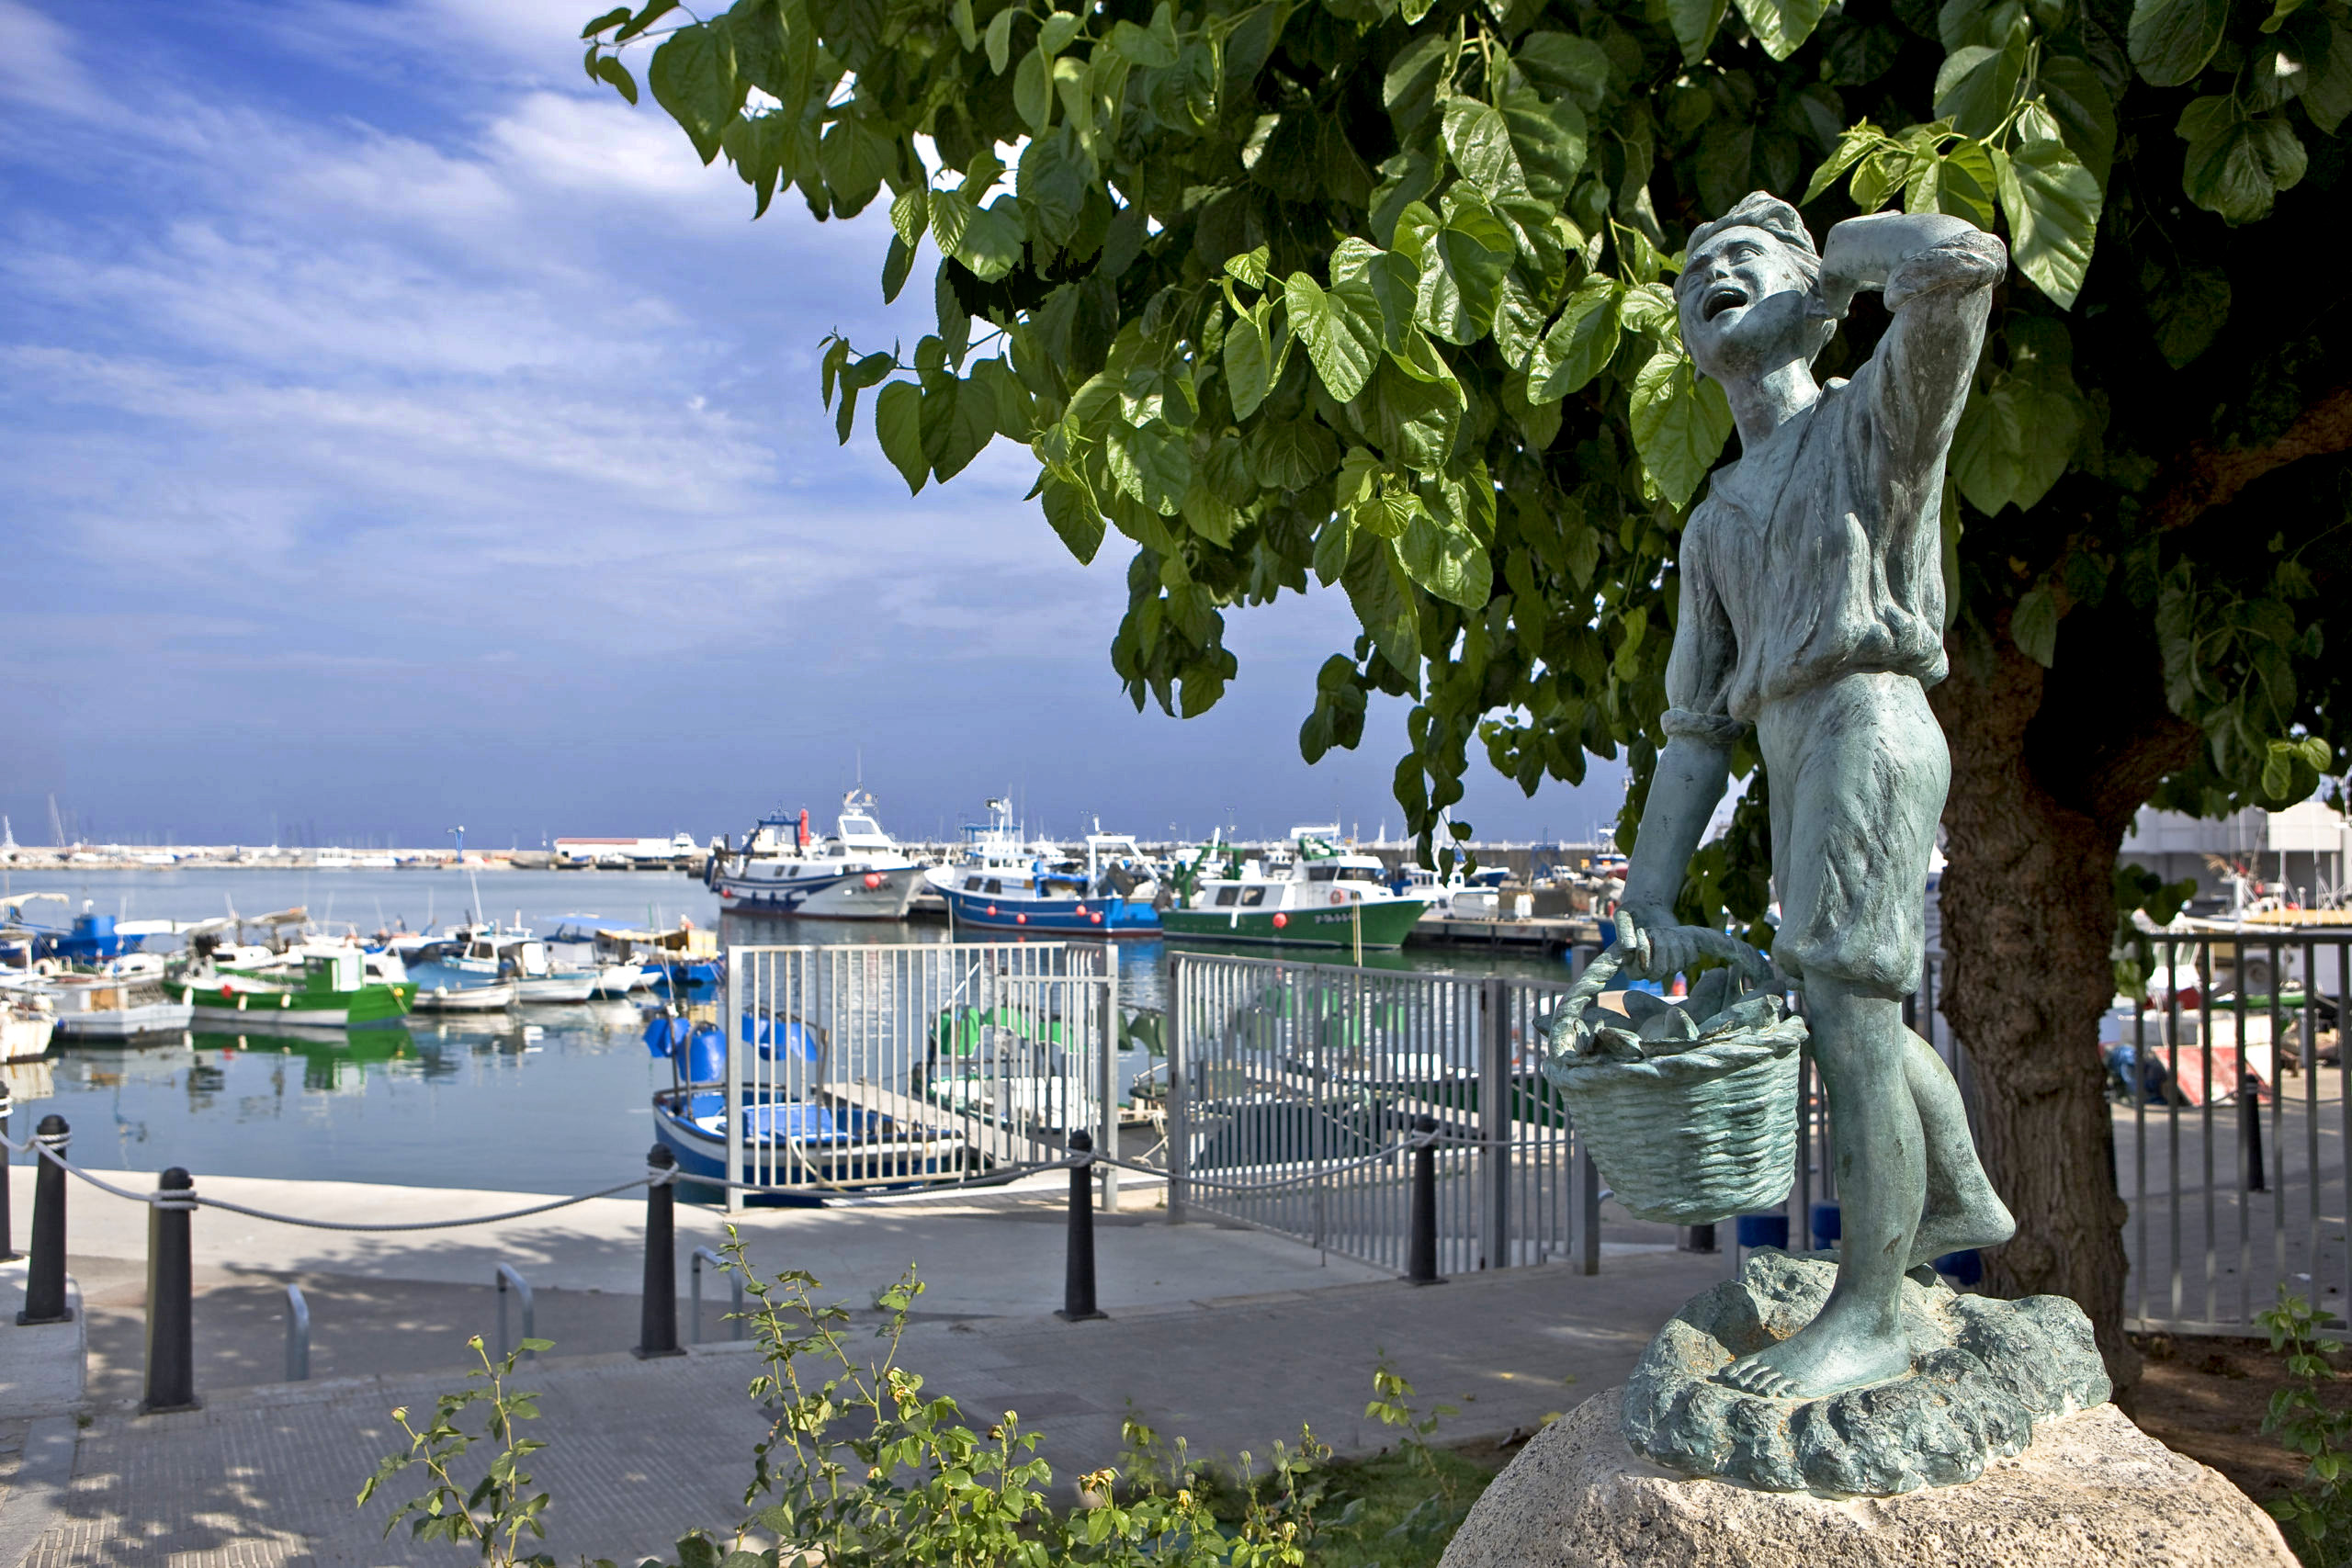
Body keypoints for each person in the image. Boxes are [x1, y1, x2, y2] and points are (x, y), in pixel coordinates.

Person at [1613, 193, 2017, 1400]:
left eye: (1746, 262)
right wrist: (1648, 883)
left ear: (1813, 299)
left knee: (1846, 1008)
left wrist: (1843, 259)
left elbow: (1957, 265)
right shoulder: (1714, 519)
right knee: (1842, 993)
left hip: (1867, 716)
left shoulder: (1872, 426)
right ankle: (1951, 1190)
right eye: (1694, 274)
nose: (1713, 279)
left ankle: (1873, 1312)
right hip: (1794, 742)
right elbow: (1693, 737)